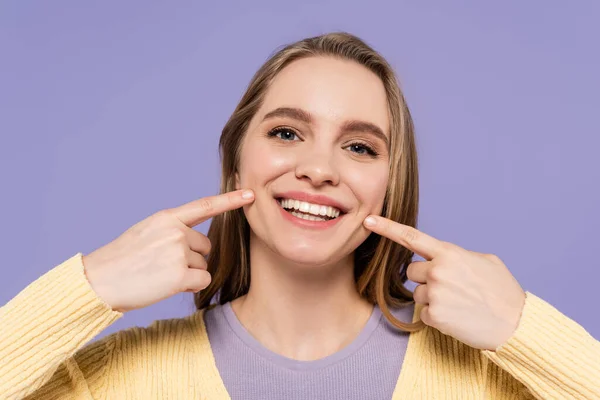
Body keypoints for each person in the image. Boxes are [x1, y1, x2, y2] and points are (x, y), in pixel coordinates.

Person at [0, 32, 598, 400]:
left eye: (360, 146)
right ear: (237, 165)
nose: (319, 168)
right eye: (287, 132)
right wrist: (89, 287)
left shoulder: (488, 382)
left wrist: (523, 329)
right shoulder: (115, 380)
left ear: (391, 186)